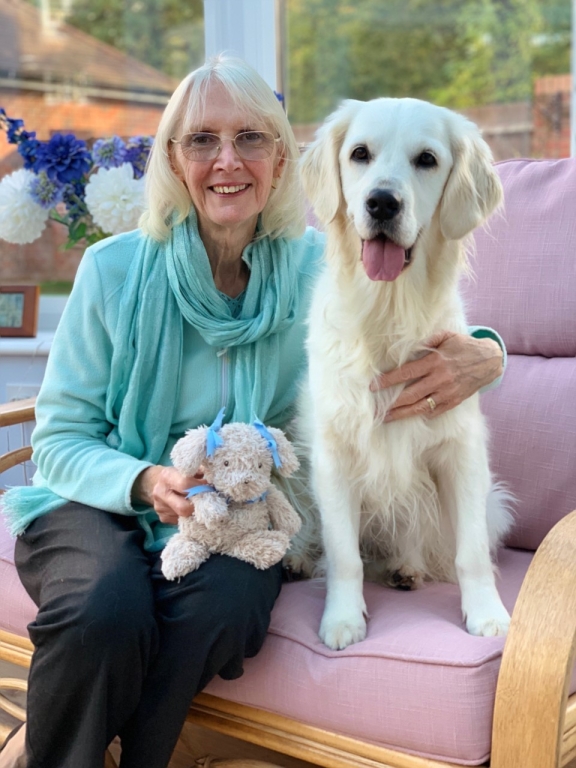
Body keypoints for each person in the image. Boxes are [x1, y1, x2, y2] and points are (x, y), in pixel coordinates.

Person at [0, 55, 505, 768]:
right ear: (173, 159)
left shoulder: (319, 267)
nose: (227, 161)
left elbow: (415, 327)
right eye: (202, 139)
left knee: (233, 603)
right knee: (105, 609)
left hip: (232, 513)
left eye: (251, 139)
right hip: (98, 499)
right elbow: (57, 440)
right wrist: (146, 481)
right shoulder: (111, 269)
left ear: (278, 160)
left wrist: (489, 352)